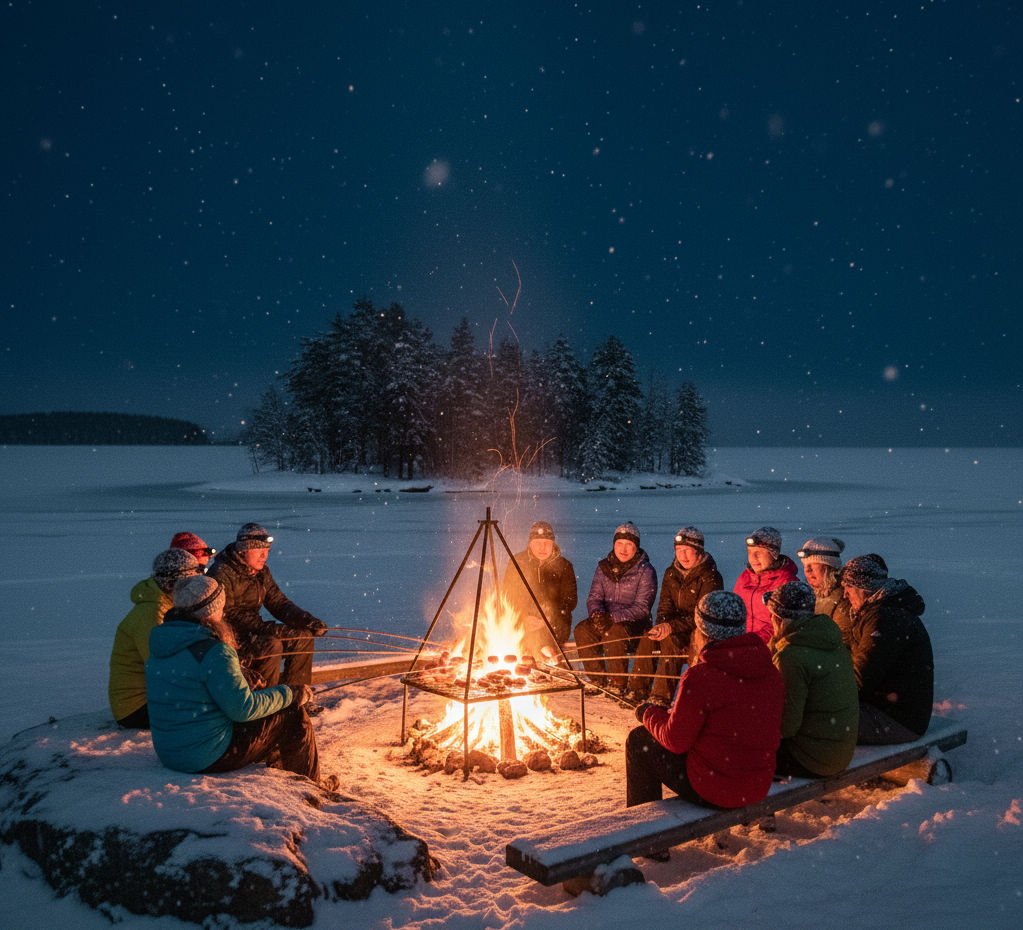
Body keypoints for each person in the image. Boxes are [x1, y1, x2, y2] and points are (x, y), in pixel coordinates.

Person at [146, 574, 320, 781]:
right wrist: (290, 693)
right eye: (221, 606)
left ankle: (282, 768)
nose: (224, 612)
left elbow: (196, 691)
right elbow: (243, 709)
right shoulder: (213, 651)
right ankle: (311, 785)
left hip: (172, 752)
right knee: (291, 714)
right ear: (211, 610)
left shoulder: (164, 645)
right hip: (206, 755)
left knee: (269, 711)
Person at [627, 591, 784, 813]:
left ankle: (643, 835)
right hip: (756, 784)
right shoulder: (769, 671)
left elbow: (675, 741)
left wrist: (648, 713)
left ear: (703, 633)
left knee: (639, 740)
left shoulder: (702, 677)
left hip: (716, 789)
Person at [206, 523, 328, 694]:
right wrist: (269, 629)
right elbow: (228, 614)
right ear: (244, 550)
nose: (264, 555)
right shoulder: (221, 573)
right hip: (230, 638)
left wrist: (306, 620)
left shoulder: (261, 573)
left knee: (303, 637)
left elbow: (278, 602)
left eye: (267, 551)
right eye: (259, 550)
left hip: (254, 631)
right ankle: (266, 700)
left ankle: (296, 694)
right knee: (271, 644)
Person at [766, 581, 859, 777]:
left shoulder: (792, 656)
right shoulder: (829, 640)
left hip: (812, 759)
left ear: (781, 619)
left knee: (738, 749)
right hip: (838, 752)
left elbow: (786, 726)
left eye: (772, 616)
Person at [840, 555, 934, 744]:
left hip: (898, 720)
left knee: (814, 721)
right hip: (885, 709)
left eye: (848, 587)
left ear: (864, 589)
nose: (845, 595)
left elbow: (860, 680)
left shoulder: (885, 619)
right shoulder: (875, 613)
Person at [626, 526, 723, 705]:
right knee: (649, 637)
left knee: (672, 642)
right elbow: (664, 606)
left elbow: (702, 615)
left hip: (700, 631)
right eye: (679, 550)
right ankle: (637, 689)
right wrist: (662, 625)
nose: (683, 556)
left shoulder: (710, 577)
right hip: (675, 626)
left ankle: (660, 697)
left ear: (699, 552)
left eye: (687, 551)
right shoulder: (671, 573)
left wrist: (671, 627)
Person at [108, 548, 202, 728]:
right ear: (176, 582)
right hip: (135, 708)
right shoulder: (152, 613)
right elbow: (163, 666)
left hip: (151, 697)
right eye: (192, 581)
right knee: (212, 710)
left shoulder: (168, 606)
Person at [574, 522, 657, 694]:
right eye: (619, 544)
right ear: (614, 544)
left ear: (636, 547)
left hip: (635, 623)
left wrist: (612, 618)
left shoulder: (645, 570)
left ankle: (617, 682)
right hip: (606, 618)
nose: (623, 549)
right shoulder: (603, 567)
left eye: (629, 544)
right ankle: (598, 679)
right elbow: (594, 597)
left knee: (615, 632)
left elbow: (642, 608)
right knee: (582, 630)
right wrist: (597, 614)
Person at [501, 520, 577, 657]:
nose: (542, 548)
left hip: (555, 622)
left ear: (553, 544)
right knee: (507, 628)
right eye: (537, 543)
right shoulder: (518, 562)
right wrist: (523, 617)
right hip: (522, 620)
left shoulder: (564, 566)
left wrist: (548, 617)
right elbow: (508, 596)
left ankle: (544, 654)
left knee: (543, 638)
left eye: (546, 543)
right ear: (530, 544)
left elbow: (570, 600)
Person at [733, 526, 798, 644]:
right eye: (750, 552)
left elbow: (782, 625)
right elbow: (734, 613)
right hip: (743, 646)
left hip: (771, 648)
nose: (753, 558)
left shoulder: (786, 583)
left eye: (758, 553)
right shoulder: (744, 578)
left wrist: (751, 641)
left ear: (773, 554)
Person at [797, 536, 852, 646]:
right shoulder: (808, 595)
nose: (807, 570)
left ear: (829, 567)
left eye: (813, 564)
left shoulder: (845, 598)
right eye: (805, 565)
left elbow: (841, 642)